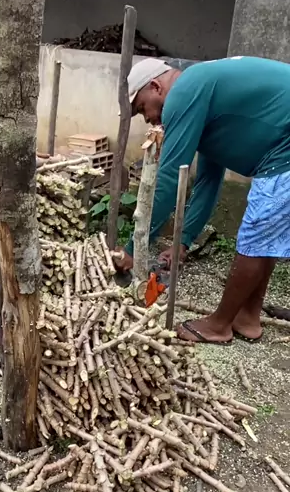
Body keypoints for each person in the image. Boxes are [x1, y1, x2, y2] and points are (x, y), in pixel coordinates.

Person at [115, 55, 290, 344]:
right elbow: (208, 181)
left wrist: (134, 248)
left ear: (156, 87)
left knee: (254, 237)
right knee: (265, 238)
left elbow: (169, 179)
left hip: (284, 153)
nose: (147, 119)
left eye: (142, 108)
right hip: (282, 149)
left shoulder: (183, 93)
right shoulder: (202, 96)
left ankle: (219, 325)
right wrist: (182, 241)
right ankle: (247, 317)